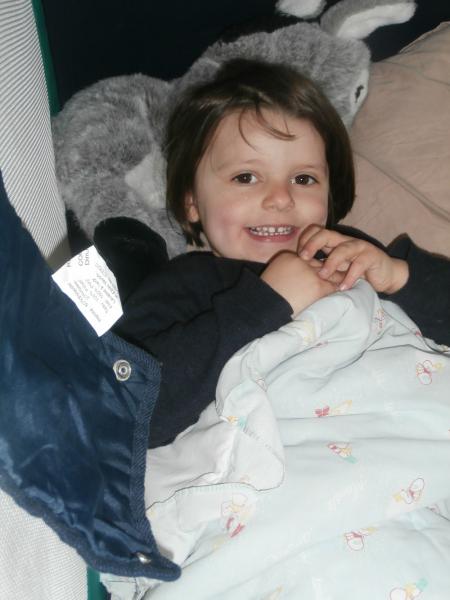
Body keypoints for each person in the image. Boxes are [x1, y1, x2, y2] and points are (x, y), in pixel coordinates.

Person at [94, 58, 450, 448]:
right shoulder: (187, 283)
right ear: (192, 202)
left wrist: (400, 277)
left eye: (303, 178)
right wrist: (264, 303)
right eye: (246, 177)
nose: (281, 198)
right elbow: (124, 410)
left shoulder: (349, 254)